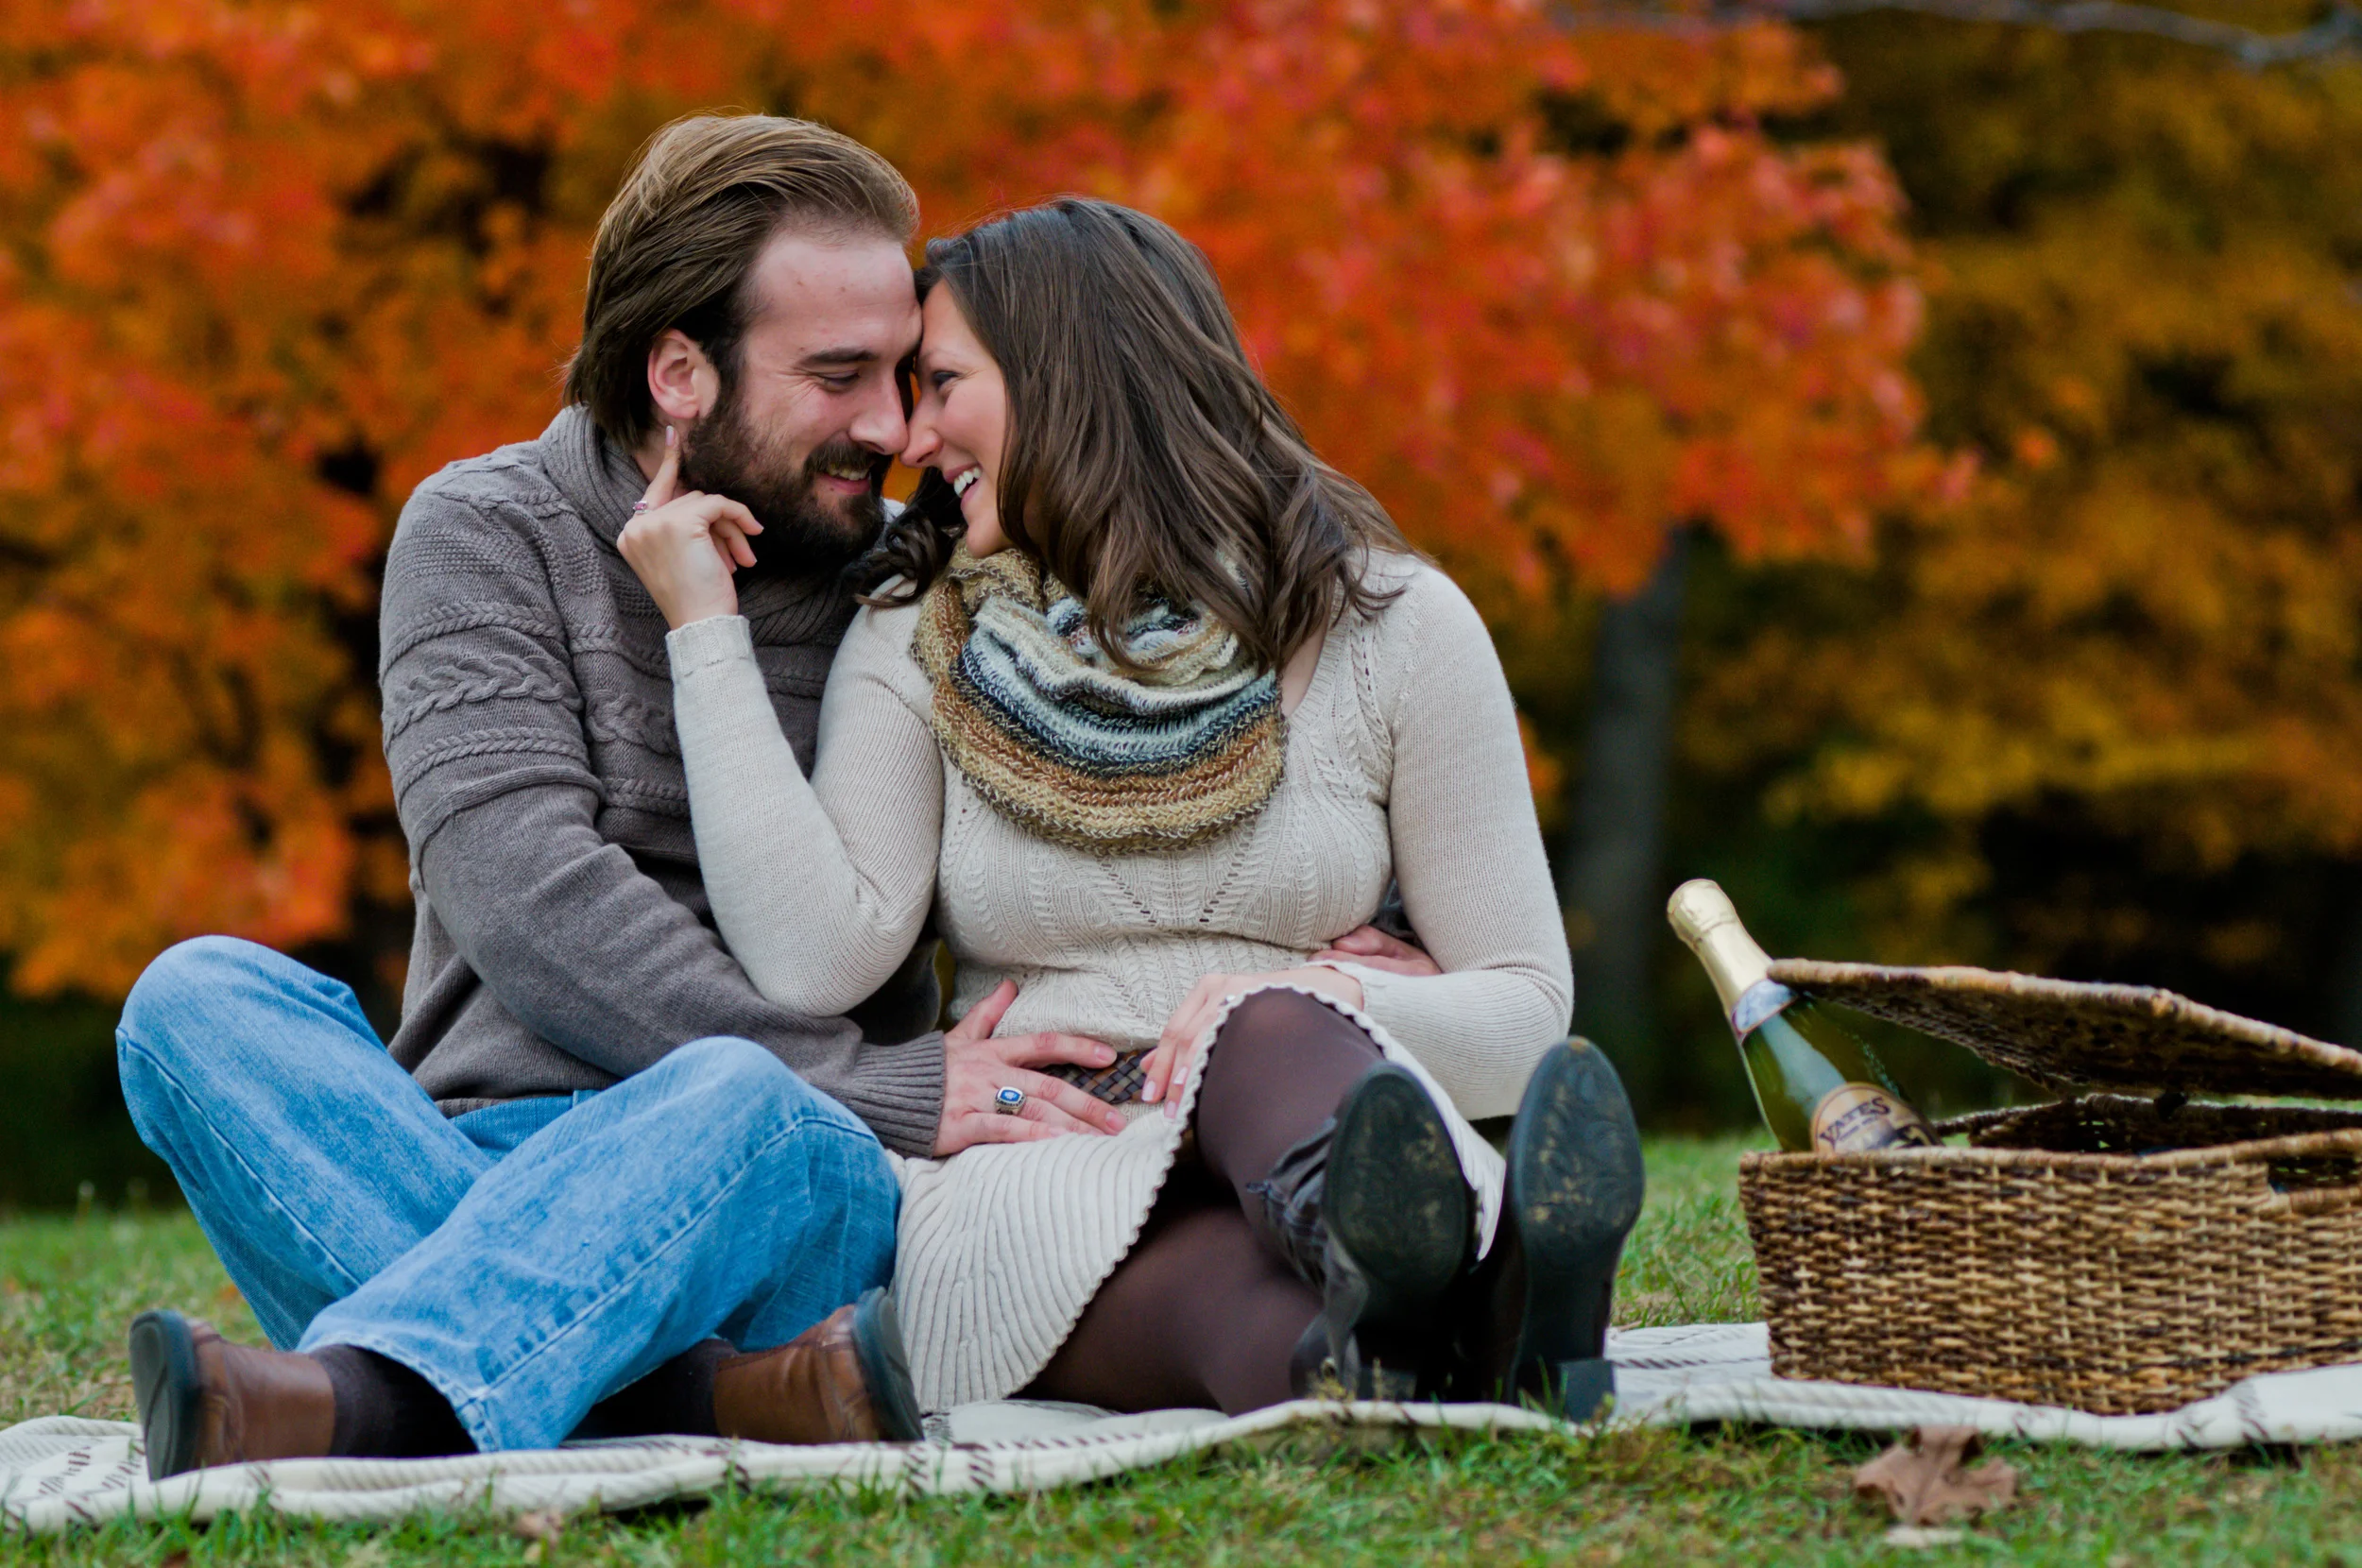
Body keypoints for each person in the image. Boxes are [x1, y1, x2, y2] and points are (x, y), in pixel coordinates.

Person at [105, 114, 1156, 1478]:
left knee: (731, 1087)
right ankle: (705, 1403)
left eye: (903, 373)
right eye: (838, 376)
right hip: (486, 1156)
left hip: (790, 1162)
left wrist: (1352, 927)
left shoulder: (916, 573)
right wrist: (865, 1073)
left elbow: (1153, 688)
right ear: (679, 372)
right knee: (193, 1002)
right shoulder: (486, 532)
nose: (893, 428)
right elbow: (524, 895)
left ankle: (367, 1403)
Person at [619, 197, 1648, 1418]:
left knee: (1268, 1036)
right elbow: (810, 955)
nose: (910, 434)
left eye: (942, 383)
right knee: (1243, 1319)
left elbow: (1532, 1009)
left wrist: (1341, 997)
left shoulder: (1393, 625)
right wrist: (703, 631)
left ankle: (1389, 1263)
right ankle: (1496, 1317)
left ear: (1068, 376)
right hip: (1046, 1165)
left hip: (1297, 1100)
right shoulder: (918, 631)